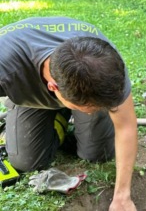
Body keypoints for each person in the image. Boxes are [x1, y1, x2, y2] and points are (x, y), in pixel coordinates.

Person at [0, 17, 137, 211]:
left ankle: (69, 117)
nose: (91, 113)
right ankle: (56, 117)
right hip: (29, 89)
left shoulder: (108, 68)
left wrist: (122, 196)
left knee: (97, 153)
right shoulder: (5, 65)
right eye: (87, 108)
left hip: (82, 84)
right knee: (26, 161)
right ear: (53, 87)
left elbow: (126, 126)